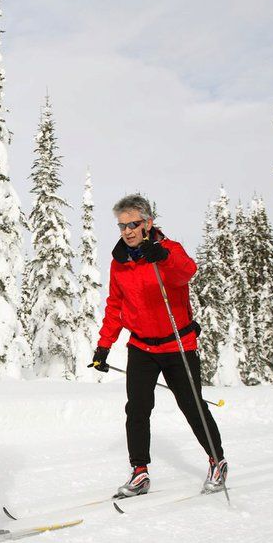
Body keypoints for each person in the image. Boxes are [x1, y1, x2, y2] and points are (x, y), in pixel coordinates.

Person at [88, 194, 228, 499]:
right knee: (136, 409)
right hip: (141, 347)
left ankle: (217, 462)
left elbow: (187, 272)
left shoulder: (169, 250)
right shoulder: (120, 263)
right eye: (122, 226)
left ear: (148, 223)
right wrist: (104, 346)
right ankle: (140, 472)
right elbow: (115, 305)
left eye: (133, 224)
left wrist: (162, 256)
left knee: (191, 406)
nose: (127, 231)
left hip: (177, 344)